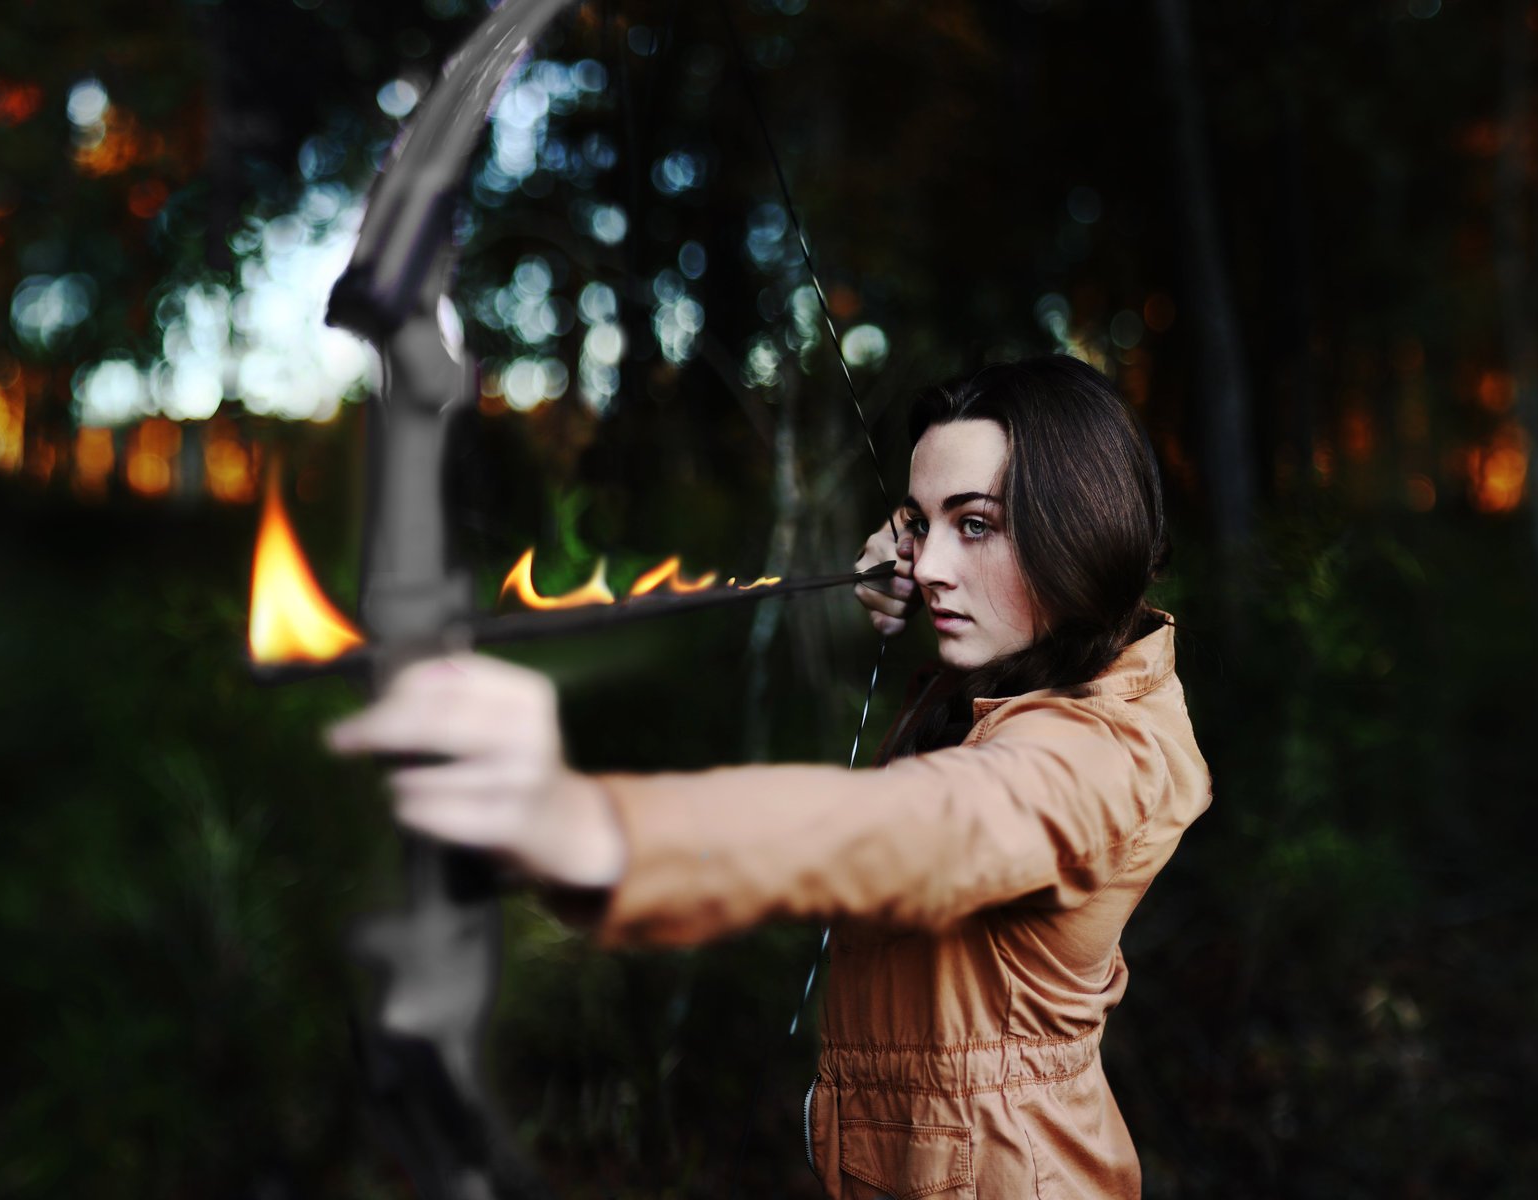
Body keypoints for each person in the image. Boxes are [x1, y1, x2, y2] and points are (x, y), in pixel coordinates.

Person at [327, 354, 1213, 1198]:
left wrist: (592, 829)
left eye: (975, 523)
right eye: (920, 523)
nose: (932, 566)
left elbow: (924, 827)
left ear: (1080, 529)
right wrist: (919, 547)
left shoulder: (1103, 756)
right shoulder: (1033, 665)